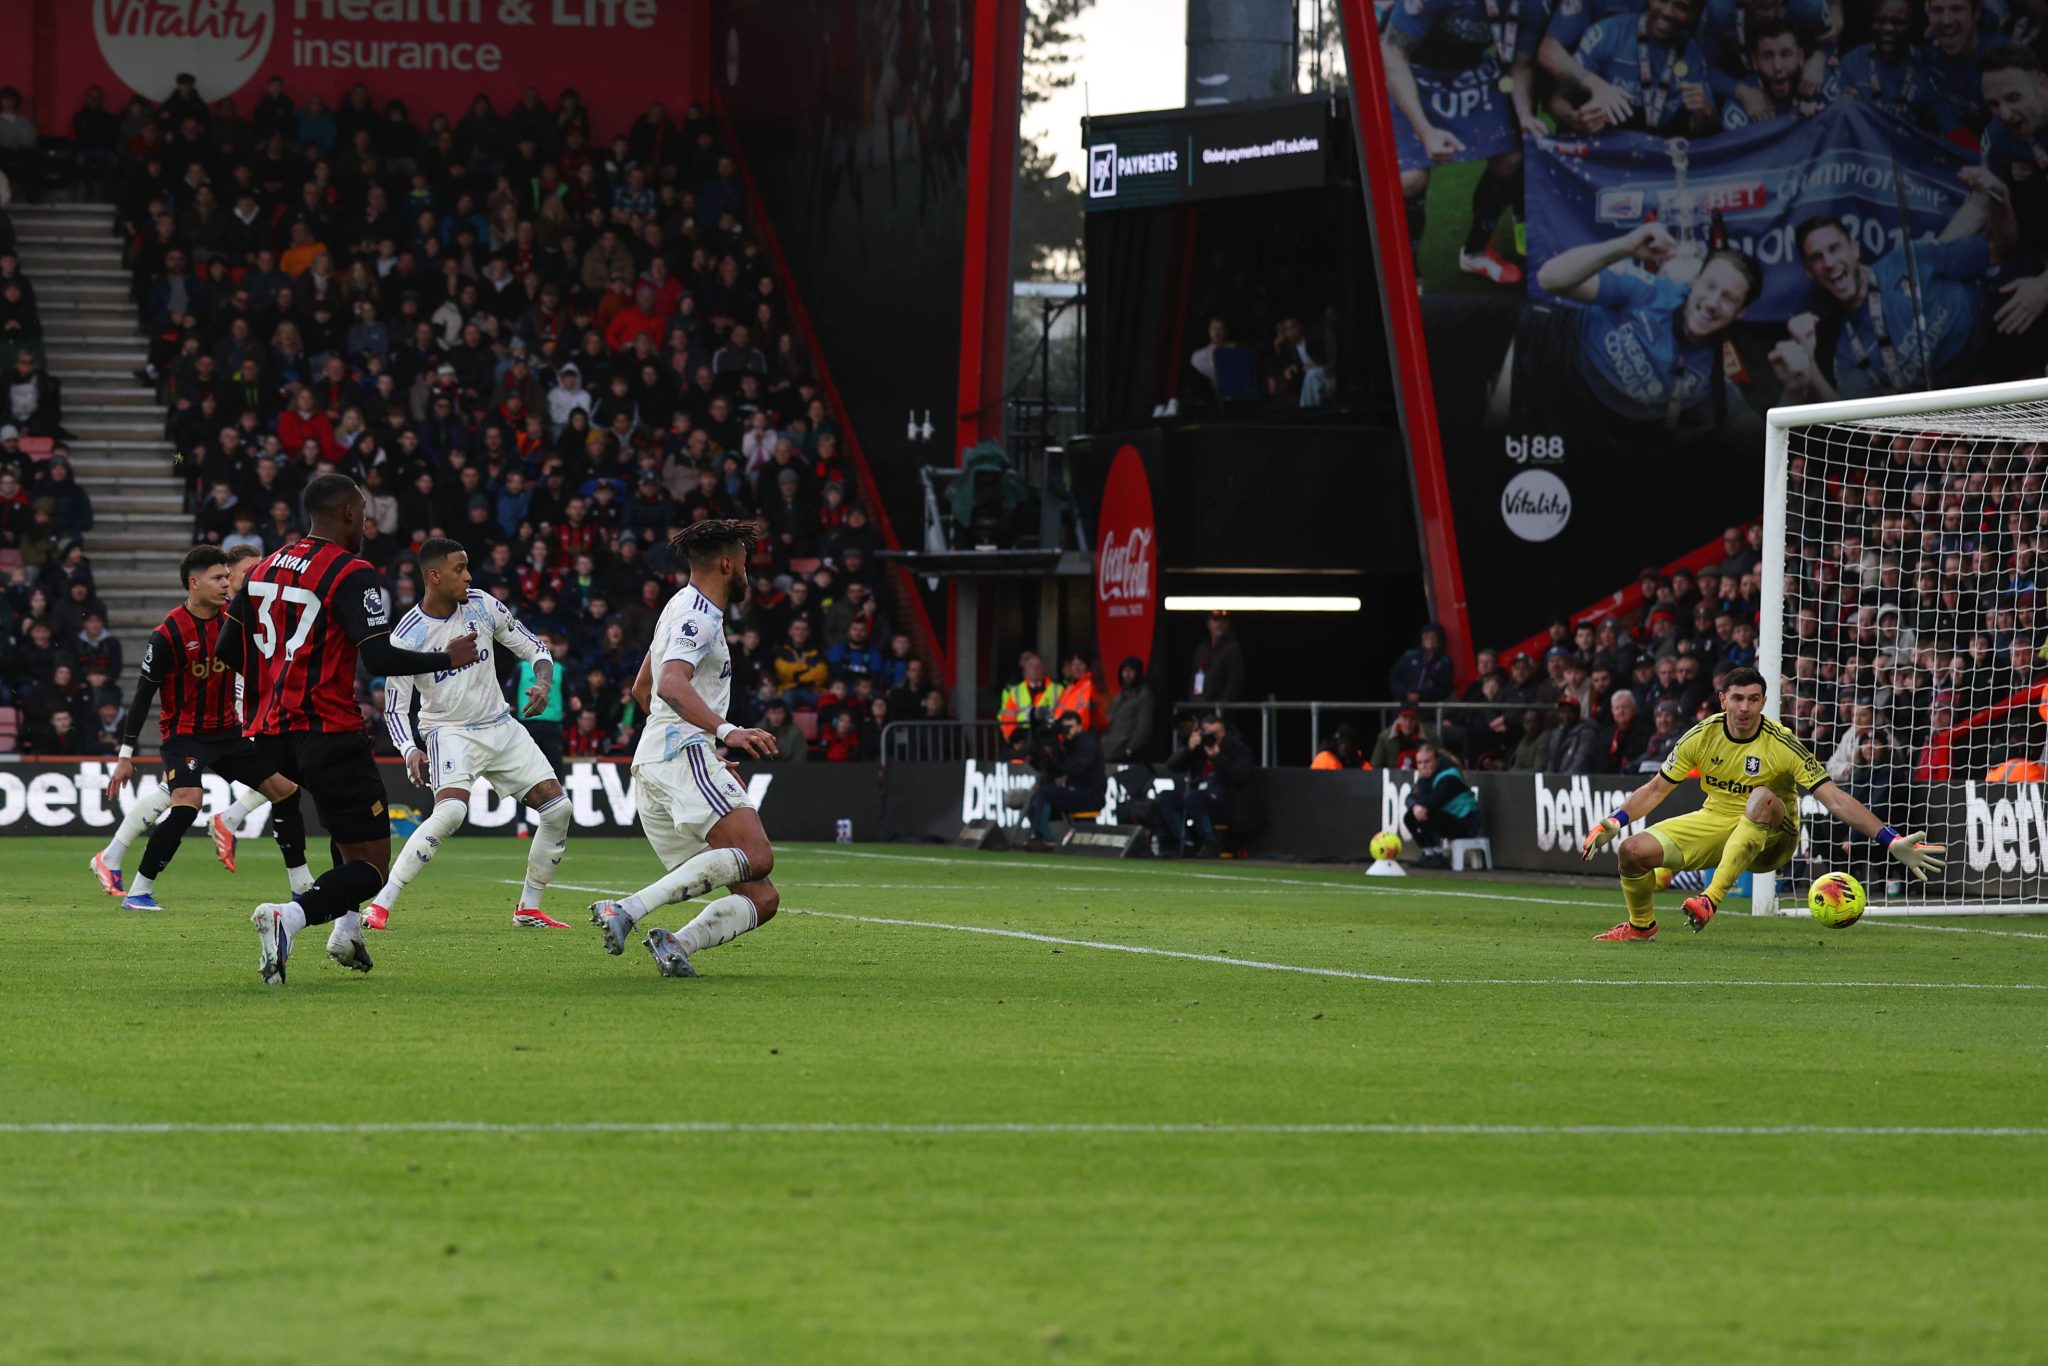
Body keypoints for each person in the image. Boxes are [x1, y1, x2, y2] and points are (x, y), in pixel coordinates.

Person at [220, 474, 482, 984]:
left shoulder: (264, 566)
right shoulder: (351, 571)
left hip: (272, 736)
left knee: (346, 834)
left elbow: (230, 649)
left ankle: (348, 933)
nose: (368, 522)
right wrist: (444, 656)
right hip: (329, 732)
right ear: (345, 514)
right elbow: (379, 655)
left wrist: (276, 678)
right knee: (372, 866)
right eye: (363, 513)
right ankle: (288, 918)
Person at [1580, 666, 1945, 940]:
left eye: (1753, 699)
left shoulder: (1781, 743)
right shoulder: (1701, 736)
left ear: (1764, 702)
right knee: (1631, 851)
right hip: (1717, 821)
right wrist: (1614, 820)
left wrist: (1891, 840)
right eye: (1737, 698)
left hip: (1773, 838)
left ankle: (1709, 899)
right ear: (1723, 700)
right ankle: (1641, 926)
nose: (1744, 707)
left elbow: (1835, 799)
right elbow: (1657, 788)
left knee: (1760, 797)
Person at [590, 519, 785, 980]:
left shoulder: (678, 605)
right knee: (758, 855)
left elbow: (643, 688)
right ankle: (627, 908)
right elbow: (670, 682)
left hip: (656, 761)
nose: (746, 571)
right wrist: (721, 733)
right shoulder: (699, 617)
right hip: (680, 755)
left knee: (762, 896)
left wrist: (692, 749)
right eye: (743, 562)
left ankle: (676, 943)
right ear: (725, 563)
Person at [369, 538, 572, 931]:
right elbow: (395, 707)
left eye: (467, 567)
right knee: (452, 811)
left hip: (500, 725)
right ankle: (381, 903)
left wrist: (544, 682)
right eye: (459, 569)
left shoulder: (482, 604)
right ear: (434, 576)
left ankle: (528, 907)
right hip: (449, 732)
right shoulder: (407, 636)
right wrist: (409, 748)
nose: (468, 575)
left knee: (558, 808)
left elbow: (534, 648)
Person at [90, 547, 307, 910]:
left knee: (285, 791)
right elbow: (143, 696)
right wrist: (125, 755)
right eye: (218, 578)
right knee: (188, 803)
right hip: (185, 735)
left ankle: (302, 885)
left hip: (228, 733)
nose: (226, 584)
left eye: (227, 576)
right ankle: (140, 891)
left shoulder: (235, 620)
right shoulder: (168, 634)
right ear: (194, 583)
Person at [1500, 224, 1762, 448]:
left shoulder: (1714, 368)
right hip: (1556, 358)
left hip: (1603, 423)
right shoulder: (1649, 292)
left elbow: (1744, 427)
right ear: (1694, 282)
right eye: (1710, 285)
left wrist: (1794, 393)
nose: (1713, 302)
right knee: (1496, 441)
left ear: (1740, 312)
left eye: (1729, 298)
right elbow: (1549, 279)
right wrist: (1624, 247)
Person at [1380, 0, 1543, 284]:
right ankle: (1407, 275)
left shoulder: (1533, 6)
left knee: (1512, 158)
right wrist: (1425, 130)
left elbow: (1521, 66)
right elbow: (1392, 54)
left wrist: (1525, 114)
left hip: (1471, 74)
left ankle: (1476, 251)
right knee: (1410, 180)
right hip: (1413, 72)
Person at [1770, 212, 1997, 401]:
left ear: (1854, 249)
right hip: (1960, 409)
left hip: (1999, 347)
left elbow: (1996, 249)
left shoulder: (1906, 259)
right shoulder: (1848, 352)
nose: (1828, 263)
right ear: (1810, 273)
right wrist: (1809, 362)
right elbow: (1850, 423)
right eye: (1817, 258)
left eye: (1834, 248)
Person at [1552, 0, 1716, 136]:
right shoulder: (1608, 34)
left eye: (1681, 7)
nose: (1668, 12)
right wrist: (1575, 120)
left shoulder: (1691, 52)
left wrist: (1705, 113)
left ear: (1692, 15)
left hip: (1657, 159)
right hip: (1604, 155)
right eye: (1663, 0)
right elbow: (1556, 101)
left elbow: (1707, 131)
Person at [1157, 713, 1253, 858]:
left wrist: (1218, 757)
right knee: (1166, 797)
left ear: (1222, 730)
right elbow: (1172, 765)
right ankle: (1186, 842)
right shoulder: (1199, 749)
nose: (1210, 738)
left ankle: (1211, 842)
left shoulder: (1237, 748)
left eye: (1213, 734)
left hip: (1226, 800)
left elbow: (1239, 777)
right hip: (1199, 795)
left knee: (1193, 797)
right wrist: (1188, 748)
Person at [1024, 710, 1108, 852]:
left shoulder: (1086, 743)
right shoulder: (1068, 744)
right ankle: (1040, 837)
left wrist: (1056, 752)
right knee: (1035, 798)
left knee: (1044, 794)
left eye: (1071, 727)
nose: (1067, 731)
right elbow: (1056, 770)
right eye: (1065, 727)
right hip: (1075, 792)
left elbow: (1074, 768)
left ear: (1080, 727)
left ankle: (1044, 838)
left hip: (1090, 795)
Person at [1402, 743, 1482, 868]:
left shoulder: (1449, 777)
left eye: (1427, 761)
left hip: (1465, 822)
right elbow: (1410, 798)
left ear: (1437, 760)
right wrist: (1414, 806)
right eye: (1420, 763)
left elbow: (1431, 803)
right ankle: (1429, 853)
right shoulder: (1428, 777)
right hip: (1447, 819)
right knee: (1410, 816)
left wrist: (1423, 784)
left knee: (1426, 814)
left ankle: (1440, 855)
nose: (1423, 766)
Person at [997, 650, 1065, 752]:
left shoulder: (1058, 689)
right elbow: (1007, 717)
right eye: (1031, 666)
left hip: (1048, 736)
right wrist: (1013, 740)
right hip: (1022, 736)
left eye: (1038, 666)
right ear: (1025, 670)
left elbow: (1062, 714)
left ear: (1044, 669)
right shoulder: (1015, 691)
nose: (1035, 669)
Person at [1102, 655, 1155, 761]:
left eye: (1131, 671)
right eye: (1125, 670)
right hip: (1109, 750)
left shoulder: (1144, 695)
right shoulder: (1120, 695)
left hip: (1126, 753)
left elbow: (1143, 728)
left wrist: (1129, 750)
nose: (1127, 674)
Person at [1387, 622, 1455, 704]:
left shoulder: (1444, 662)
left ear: (1439, 638)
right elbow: (1394, 677)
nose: (1428, 639)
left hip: (1427, 708)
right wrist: (1406, 693)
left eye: (1432, 636)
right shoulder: (1410, 655)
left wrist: (1422, 695)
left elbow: (1445, 688)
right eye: (1426, 635)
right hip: (1403, 703)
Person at [1189, 611, 1244, 703]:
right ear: (1209, 623)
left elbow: (1234, 681)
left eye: (1223, 621)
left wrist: (1224, 704)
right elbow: (1195, 677)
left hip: (1219, 707)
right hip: (1199, 704)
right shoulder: (1202, 648)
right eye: (1215, 620)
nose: (1219, 624)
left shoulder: (1232, 648)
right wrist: (1194, 700)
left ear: (1228, 624)